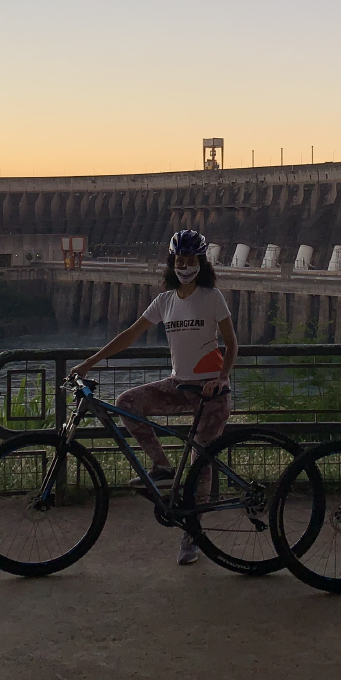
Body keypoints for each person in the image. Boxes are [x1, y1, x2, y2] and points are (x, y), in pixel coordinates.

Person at [70, 230, 236, 566]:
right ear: (172, 262)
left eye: (190, 261)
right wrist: (89, 363)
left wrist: (220, 379)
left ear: (200, 263)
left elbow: (232, 345)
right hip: (180, 386)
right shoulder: (165, 300)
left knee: (199, 461)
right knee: (127, 403)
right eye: (180, 260)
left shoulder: (211, 296)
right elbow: (130, 335)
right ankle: (161, 466)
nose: (185, 266)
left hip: (211, 394)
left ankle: (192, 534)